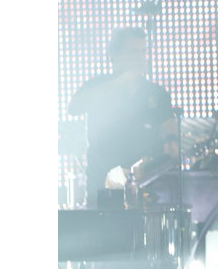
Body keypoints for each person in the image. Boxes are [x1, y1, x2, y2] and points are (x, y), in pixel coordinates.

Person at [67, 27, 179, 208]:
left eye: (143, 51)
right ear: (114, 54)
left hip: (143, 189)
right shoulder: (98, 85)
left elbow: (171, 138)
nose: (140, 57)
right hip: (102, 188)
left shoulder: (156, 93)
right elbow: (74, 108)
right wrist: (120, 82)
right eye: (133, 52)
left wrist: (167, 148)